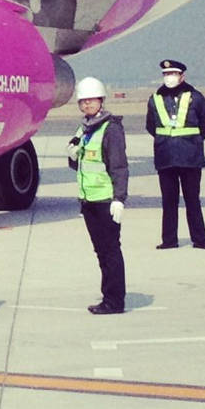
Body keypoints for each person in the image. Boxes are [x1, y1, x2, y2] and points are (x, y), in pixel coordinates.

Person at [69, 76, 129, 315]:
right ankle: (109, 296)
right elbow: (82, 165)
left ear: (101, 101)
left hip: (105, 201)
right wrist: (73, 155)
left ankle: (114, 301)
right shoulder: (85, 128)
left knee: (111, 250)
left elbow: (119, 166)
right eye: (82, 102)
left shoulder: (110, 128)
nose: (86, 105)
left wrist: (119, 198)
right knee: (101, 252)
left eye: (91, 101)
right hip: (88, 201)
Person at [146, 57, 205, 250]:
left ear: (182, 76)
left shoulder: (196, 97)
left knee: (192, 200)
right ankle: (169, 240)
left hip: (190, 158)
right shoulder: (155, 98)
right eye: (166, 74)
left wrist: (192, 142)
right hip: (165, 157)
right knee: (169, 200)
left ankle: (200, 240)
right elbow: (151, 126)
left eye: (173, 74)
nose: (169, 77)